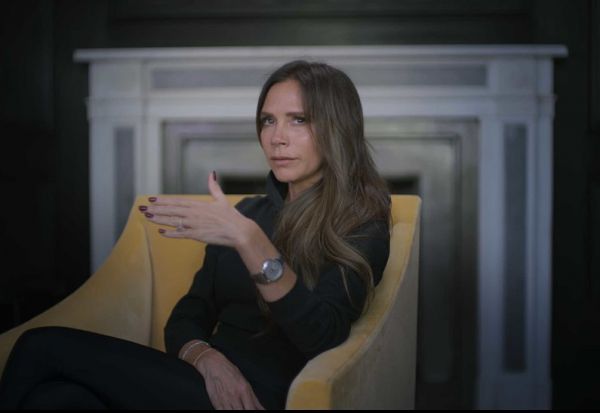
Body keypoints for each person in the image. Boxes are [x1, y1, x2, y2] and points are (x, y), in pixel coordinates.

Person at [0, 60, 391, 410]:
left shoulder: (361, 223)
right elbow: (188, 315)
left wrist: (250, 242)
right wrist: (207, 359)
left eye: (299, 120)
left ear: (337, 128)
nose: (277, 137)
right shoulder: (245, 213)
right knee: (57, 399)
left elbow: (323, 336)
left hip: (260, 397)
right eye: (268, 120)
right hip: (198, 381)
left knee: (40, 345)